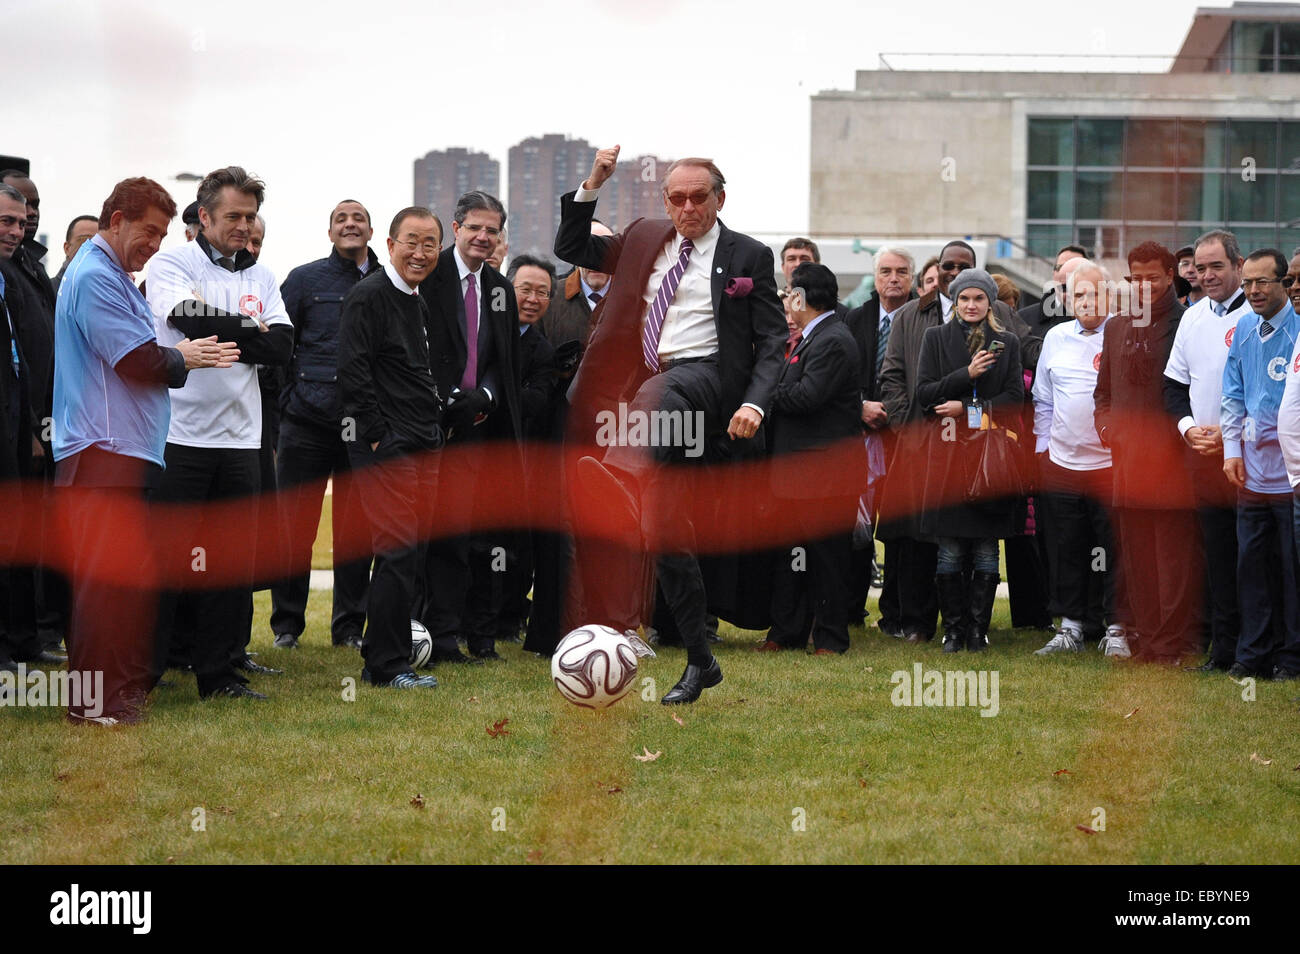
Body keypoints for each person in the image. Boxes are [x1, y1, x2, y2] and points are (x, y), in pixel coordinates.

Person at [556, 146, 786, 704]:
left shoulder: (748, 255)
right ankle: (701, 662)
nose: (687, 207)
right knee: (667, 535)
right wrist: (594, 184)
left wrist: (754, 405)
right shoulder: (642, 238)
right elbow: (572, 247)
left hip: (707, 384)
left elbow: (774, 342)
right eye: (676, 197)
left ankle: (616, 477)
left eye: (697, 197)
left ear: (719, 199)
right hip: (649, 400)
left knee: (666, 389)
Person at [52, 177, 238, 723]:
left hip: (121, 454)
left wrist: (177, 355)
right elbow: (135, 361)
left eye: (162, 235)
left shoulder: (112, 275)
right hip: (102, 453)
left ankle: (112, 696)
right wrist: (183, 357)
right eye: (148, 231)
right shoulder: (94, 276)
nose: (155, 245)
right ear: (116, 219)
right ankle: (93, 706)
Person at [146, 165, 293, 700]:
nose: (243, 225)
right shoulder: (172, 261)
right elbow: (183, 316)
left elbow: (282, 348)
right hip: (180, 437)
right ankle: (145, 672)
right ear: (204, 217)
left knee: (228, 566)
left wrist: (229, 329)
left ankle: (220, 675)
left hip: (240, 442)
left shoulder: (261, 275)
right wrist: (250, 329)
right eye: (233, 215)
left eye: (250, 216)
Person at [337, 207, 444, 689]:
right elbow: (353, 372)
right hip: (387, 446)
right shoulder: (369, 296)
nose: (420, 253)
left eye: (430, 244)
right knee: (397, 551)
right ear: (390, 245)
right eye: (412, 242)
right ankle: (385, 666)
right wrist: (379, 434)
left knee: (412, 555)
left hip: (423, 441)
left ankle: (394, 652)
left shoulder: (417, 300)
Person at [269, 199, 379, 651]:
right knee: (294, 528)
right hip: (306, 423)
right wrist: (287, 406)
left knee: (356, 533)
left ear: (372, 232)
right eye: (341, 219)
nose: (350, 224)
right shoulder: (303, 279)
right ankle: (287, 627)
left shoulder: (387, 280)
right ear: (330, 231)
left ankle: (349, 629)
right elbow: (277, 345)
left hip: (365, 429)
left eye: (358, 219)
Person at [418, 191, 522, 664]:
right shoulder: (425, 275)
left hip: (479, 429)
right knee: (427, 537)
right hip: (427, 426)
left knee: (468, 537)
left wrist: (486, 395)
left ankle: (461, 635)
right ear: (455, 229)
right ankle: (427, 634)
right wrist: (445, 398)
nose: (484, 237)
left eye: (493, 230)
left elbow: (505, 360)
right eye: (475, 228)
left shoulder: (500, 288)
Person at [1094, 242, 1200, 665]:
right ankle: (1147, 638)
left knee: (1172, 559)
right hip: (1127, 465)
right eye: (1135, 278)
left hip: (1174, 463)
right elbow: (1102, 393)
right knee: (1136, 559)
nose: (1143, 286)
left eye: (1152, 277)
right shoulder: (1116, 326)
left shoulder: (1188, 322)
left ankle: (1170, 645)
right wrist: (1106, 428)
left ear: (1171, 274)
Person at [914, 268, 1023, 652]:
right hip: (945, 458)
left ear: (989, 302)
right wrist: (966, 373)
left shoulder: (1006, 342)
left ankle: (978, 631)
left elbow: (1014, 401)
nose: (971, 305)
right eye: (964, 299)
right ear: (954, 302)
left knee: (985, 549)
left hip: (989, 460)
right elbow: (924, 395)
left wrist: (968, 409)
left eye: (978, 298)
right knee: (949, 549)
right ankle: (953, 630)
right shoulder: (936, 337)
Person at [761, 262, 861, 654]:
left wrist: (762, 396)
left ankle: (831, 640)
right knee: (795, 557)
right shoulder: (811, 337)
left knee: (827, 560)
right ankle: (788, 633)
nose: (786, 299)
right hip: (799, 475)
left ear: (802, 297)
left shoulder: (833, 339)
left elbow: (807, 396)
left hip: (826, 475)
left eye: (789, 292)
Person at [1163, 229, 1250, 669]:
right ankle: (1223, 649)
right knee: (1214, 556)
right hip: (1200, 457)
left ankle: (1261, 649)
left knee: (1254, 557)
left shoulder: (1260, 316)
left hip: (1253, 459)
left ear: (1239, 265)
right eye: (1202, 267)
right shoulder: (1192, 318)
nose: (1208, 275)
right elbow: (1175, 387)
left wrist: (1234, 435)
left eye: (1218, 266)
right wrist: (1188, 428)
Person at [1031, 260, 1123, 656]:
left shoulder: (1124, 335)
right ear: (1066, 298)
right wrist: (1042, 451)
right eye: (1077, 294)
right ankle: (1069, 627)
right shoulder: (1055, 337)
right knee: (1067, 548)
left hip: (1111, 466)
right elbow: (1043, 398)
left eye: (1094, 292)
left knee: (1114, 549)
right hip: (1063, 464)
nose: (1086, 301)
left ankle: (1117, 628)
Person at [1220, 248, 1299, 680]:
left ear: (1285, 284)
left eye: (1262, 282)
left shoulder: (1299, 333)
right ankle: (1252, 656)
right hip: (1250, 475)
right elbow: (1231, 394)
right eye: (1247, 282)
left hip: (1291, 479)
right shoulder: (1243, 328)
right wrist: (1232, 451)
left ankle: (1290, 658)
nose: (1253, 290)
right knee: (1250, 569)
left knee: (1289, 570)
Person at [843, 245, 915, 632]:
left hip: (905, 439)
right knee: (857, 528)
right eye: (885, 270)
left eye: (901, 271)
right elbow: (837, 376)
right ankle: (853, 608)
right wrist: (860, 406)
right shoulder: (855, 319)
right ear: (875, 276)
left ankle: (896, 614)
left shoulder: (927, 319)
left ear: (912, 277)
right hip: (860, 437)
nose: (893, 278)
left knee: (901, 530)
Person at [498, 254, 561, 644]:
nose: (533, 299)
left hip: (520, 462)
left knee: (514, 548)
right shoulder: (484, 331)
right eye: (525, 289)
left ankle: (507, 621)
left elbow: (534, 404)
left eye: (543, 292)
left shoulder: (544, 352)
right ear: (507, 289)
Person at [541, 220, 613, 353]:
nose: (595, 260)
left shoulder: (634, 298)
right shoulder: (549, 298)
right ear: (576, 254)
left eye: (604, 250)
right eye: (588, 250)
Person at [51, 215, 99, 294]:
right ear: (67, 248)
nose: (91, 248)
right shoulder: (47, 291)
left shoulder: (110, 291)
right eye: (83, 240)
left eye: (98, 243)